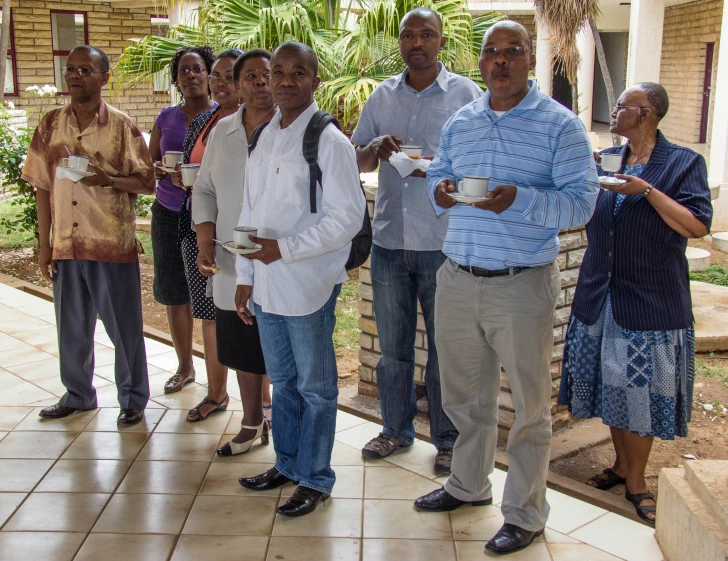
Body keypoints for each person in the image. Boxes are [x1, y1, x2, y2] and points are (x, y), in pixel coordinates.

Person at [414, 21, 599, 556]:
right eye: (491, 52)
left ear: (528, 60)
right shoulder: (463, 121)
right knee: (464, 400)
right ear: (481, 63)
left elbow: (581, 204)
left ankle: (525, 513)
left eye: (511, 51)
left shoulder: (559, 126)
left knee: (529, 409)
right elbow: (437, 174)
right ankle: (468, 486)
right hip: (457, 278)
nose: (499, 61)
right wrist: (442, 190)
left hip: (520, 285)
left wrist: (518, 200)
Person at [558, 83, 712, 526]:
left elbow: (697, 225)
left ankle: (638, 482)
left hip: (649, 300)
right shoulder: (611, 159)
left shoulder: (682, 164)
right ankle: (621, 465)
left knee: (641, 393)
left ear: (645, 114)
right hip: (599, 294)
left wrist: (646, 191)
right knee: (612, 385)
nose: (616, 112)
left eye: (622, 107)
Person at [235, 42, 365, 517]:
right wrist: (246, 275)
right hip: (267, 286)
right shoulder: (264, 135)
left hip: (308, 284)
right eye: (279, 72)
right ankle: (287, 465)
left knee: (315, 388)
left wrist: (282, 250)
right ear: (268, 78)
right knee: (284, 383)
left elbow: (347, 218)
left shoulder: (329, 141)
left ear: (315, 79)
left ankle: (315, 478)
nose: (286, 81)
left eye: (298, 73)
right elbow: (250, 211)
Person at [351, 7, 482, 474]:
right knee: (394, 347)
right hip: (389, 240)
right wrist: (375, 148)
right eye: (409, 35)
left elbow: (482, 166)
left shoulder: (469, 96)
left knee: (446, 348)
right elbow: (357, 160)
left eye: (427, 34)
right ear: (400, 42)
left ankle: (446, 439)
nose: (417, 42)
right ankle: (395, 429)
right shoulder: (382, 96)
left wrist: (442, 167)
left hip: (444, 243)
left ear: (442, 41)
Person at [22, 45, 155, 425]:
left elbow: (146, 182)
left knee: (123, 327)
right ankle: (78, 394)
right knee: (72, 327)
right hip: (67, 242)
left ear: (104, 77)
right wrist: (44, 246)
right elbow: (42, 187)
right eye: (70, 69)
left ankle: (132, 397)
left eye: (85, 69)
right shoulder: (49, 124)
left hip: (110, 242)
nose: (75, 75)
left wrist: (108, 179)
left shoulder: (121, 125)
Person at [172, 48, 272, 424]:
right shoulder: (220, 132)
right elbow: (204, 188)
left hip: (278, 256)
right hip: (230, 257)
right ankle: (251, 420)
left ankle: (273, 409)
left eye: (266, 75)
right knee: (240, 340)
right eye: (250, 77)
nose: (259, 83)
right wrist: (204, 241)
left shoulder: (287, 129)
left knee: (274, 337)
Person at [149, 46, 216, 395]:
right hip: (167, 213)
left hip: (206, 219)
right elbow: (150, 165)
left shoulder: (223, 117)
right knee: (175, 293)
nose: (191, 75)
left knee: (208, 297)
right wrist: (160, 170)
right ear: (176, 79)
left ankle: (218, 379)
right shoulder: (166, 117)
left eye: (198, 68)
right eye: (184, 70)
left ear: (209, 74)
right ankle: (185, 367)